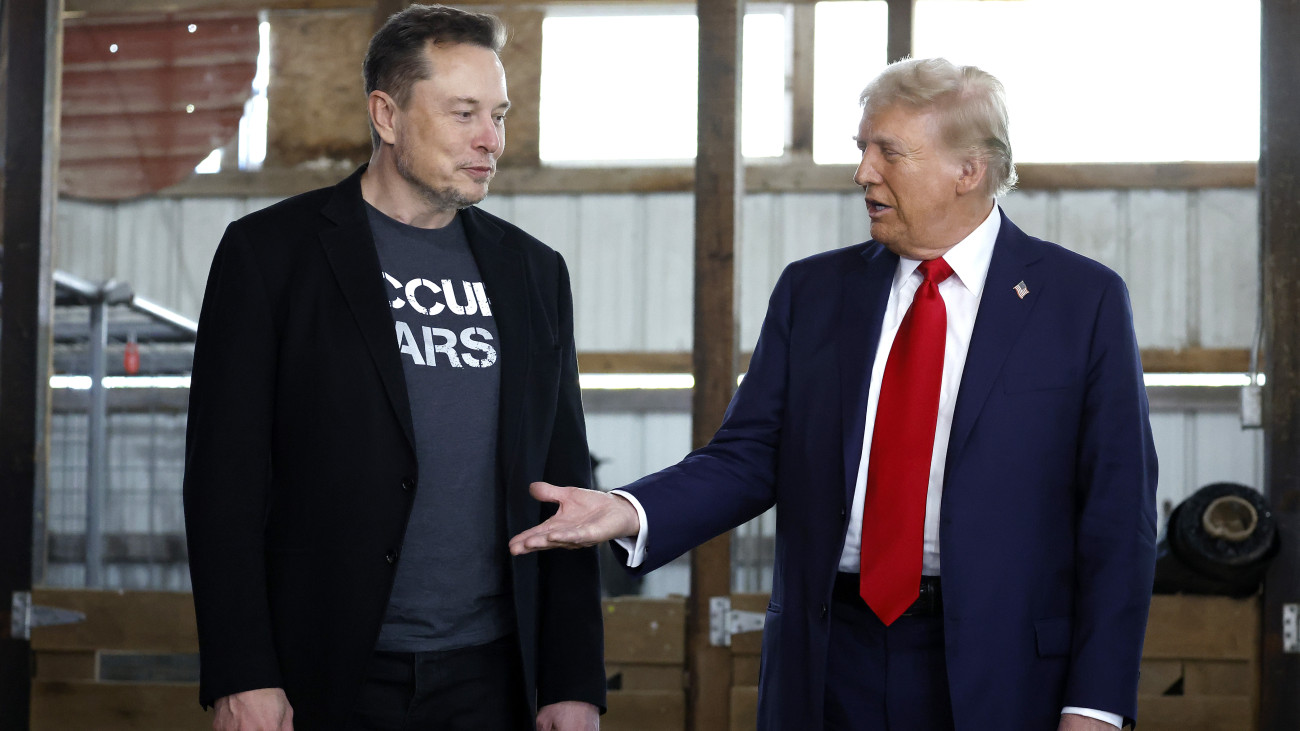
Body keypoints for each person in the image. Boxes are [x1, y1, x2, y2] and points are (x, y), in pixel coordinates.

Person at [510, 58, 1157, 731]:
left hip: (1005, 670)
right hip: (827, 660)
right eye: (862, 149)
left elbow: (1118, 517)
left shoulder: (1080, 301)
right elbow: (749, 454)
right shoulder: (813, 292)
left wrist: (1097, 702)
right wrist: (628, 508)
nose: (864, 173)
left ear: (968, 169)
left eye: (889, 152)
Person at [183, 5, 603, 730]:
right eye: (464, 112)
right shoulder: (271, 255)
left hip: (494, 674)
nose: (491, 140)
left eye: (498, 114)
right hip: (326, 668)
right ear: (387, 113)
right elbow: (223, 481)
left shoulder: (533, 271)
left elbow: (564, 478)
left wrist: (572, 679)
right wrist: (242, 668)